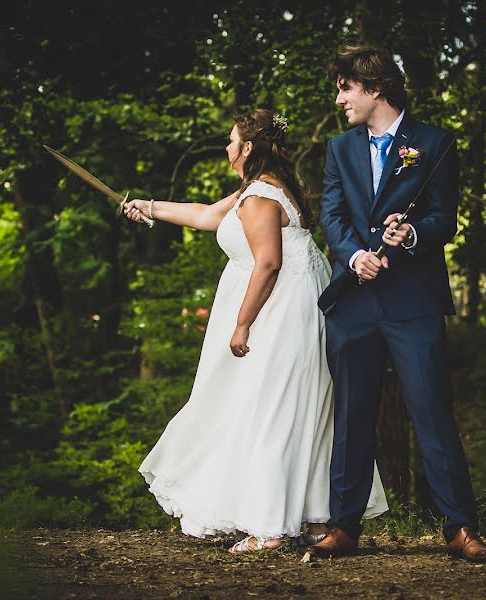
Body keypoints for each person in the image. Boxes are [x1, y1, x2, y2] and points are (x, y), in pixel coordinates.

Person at [124, 109, 388, 554]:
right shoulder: (260, 189)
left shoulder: (260, 197)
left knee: (272, 406)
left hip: (280, 311)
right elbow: (207, 215)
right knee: (292, 405)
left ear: (248, 147)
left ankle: (269, 526)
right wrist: (148, 208)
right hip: (289, 305)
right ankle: (313, 518)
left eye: (231, 141)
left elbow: (268, 263)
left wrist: (242, 323)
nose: (227, 148)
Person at [305, 46, 486, 561]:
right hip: (355, 303)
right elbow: (333, 215)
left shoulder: (434, 143)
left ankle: (460, 528)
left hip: (414, 303)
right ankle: (343, 528)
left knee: (432, 411)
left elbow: (444, 218)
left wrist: (411, 233)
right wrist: (351, 257)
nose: (340, 97)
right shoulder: (338, 148)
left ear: (376, 89)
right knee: (350, 417)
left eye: (347, 87)